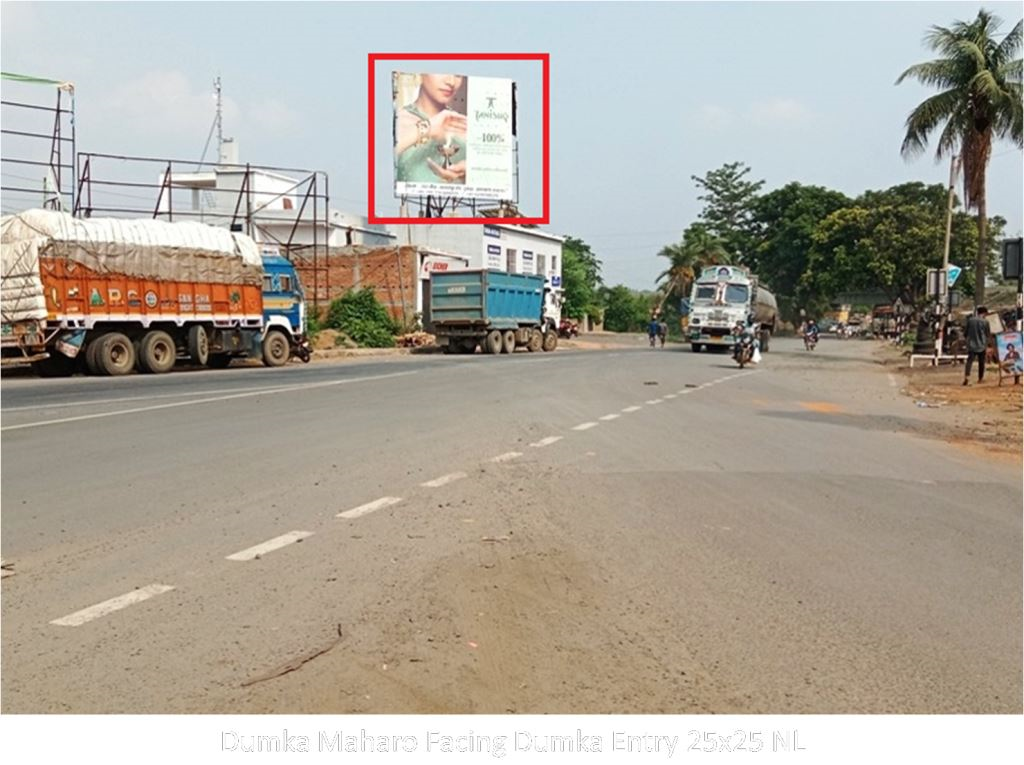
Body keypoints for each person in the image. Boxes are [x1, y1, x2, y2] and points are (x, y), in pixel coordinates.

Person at [394, 73, 468, 184]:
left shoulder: (463, 124)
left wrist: (474, 171)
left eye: (458, 75)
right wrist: (427, 129)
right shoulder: (397, 120)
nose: (451, 82)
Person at [963, 306, 990, 386]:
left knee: (969, 361)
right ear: (984, 313)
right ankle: (980, 378)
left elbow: (965, 333)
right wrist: (988, 344)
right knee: (981, 362)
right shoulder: (985, 322)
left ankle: (967, 377)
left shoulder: (970, 320)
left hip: (971, 344)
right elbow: (987, 334)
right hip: (982, 345)